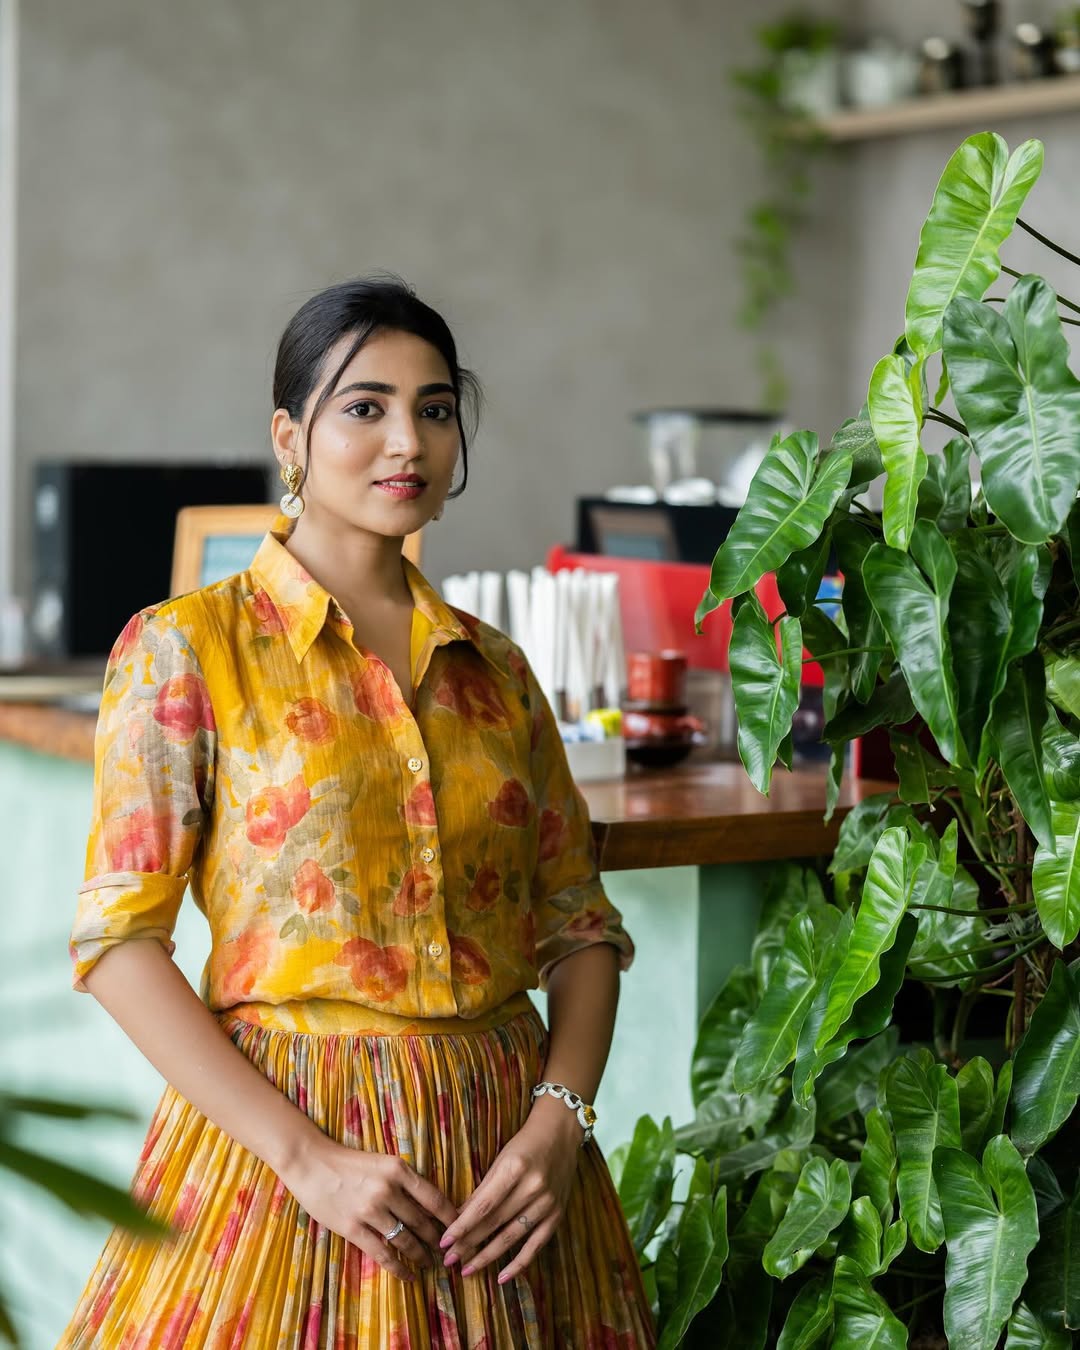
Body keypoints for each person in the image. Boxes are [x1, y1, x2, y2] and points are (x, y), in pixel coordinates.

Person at [58, 276, 655, 1348]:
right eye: (364, 406)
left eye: (434, 408)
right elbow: (117, 943)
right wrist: (308, 1162)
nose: (407, 441)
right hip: (290, 1162)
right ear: (290, 436)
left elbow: (581, 925)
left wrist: (558, 1129)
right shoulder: (187, 647)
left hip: (501, 1175)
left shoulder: (499, 671)